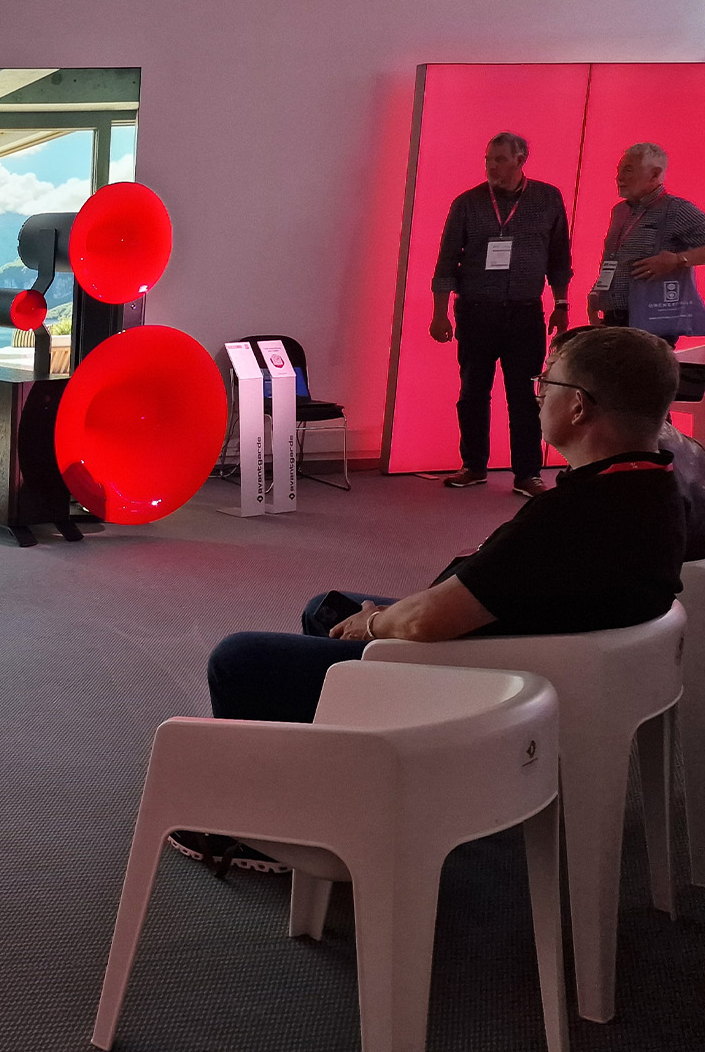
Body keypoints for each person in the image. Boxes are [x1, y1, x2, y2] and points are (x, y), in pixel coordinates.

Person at [181, 326, 684, 875]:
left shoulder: (571, 516)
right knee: (328, 609)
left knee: (240, 659)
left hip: (482, 679)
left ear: (580, 407)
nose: (538, 393)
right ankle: (344, 785)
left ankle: (278, 831)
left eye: (548, 382)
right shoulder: (657, 487)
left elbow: (427, 621)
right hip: (539, 656)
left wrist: (375, 626)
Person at [431, 132, 573, 499]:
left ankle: (528, 473)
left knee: (524, 395)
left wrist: (561, 304)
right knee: (473, 391)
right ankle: (474, 465)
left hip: (526, 313)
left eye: (499, 159)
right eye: (488, 159)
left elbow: (559, 258)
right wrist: (439, 313)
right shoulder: (467, 203)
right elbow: (446, 261)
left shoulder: (548, 198)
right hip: (476, 311)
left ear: (520, 159)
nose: (491, 166)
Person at [588, 143, 705, 332]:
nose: (620, 177)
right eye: (619, 170)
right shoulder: (620, 211)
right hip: (614, 316)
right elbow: (613, 260)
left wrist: (678, 260)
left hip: (653, 319)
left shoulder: (676, 209)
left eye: (628, 170)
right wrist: (597, 294)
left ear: (654, 175)